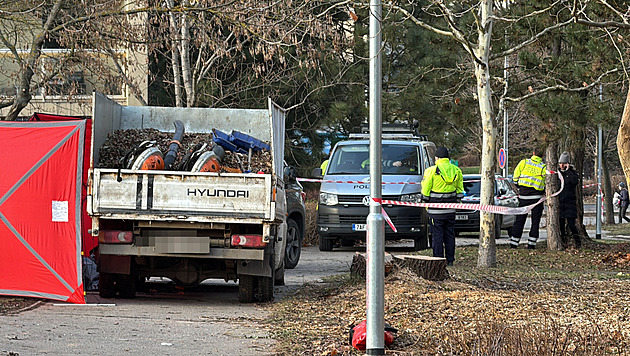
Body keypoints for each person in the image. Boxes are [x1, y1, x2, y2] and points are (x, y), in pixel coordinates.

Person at [421, 146, 464, 266]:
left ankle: (438, 260)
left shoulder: (431, 170)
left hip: (435, 210)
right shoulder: (456, 170)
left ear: (437, 158)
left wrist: (424, 199)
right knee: (450, 234)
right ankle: (450, 260)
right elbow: (460, 190)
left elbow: (426, 189)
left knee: (437, 235)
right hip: (450, 209)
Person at [510, 148, 546, 249]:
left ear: (533, 153)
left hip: (524, 196)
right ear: (542, 155)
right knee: (535, 221)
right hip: (537, 198)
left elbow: (515, 178)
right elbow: (546, 182)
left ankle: (514, 243)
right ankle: (531, 244)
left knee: (520, 220)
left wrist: (520, 187)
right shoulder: (544, 167)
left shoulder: (524, 162)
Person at [557, 151, 581, 248]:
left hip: (570, 202)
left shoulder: (572, 173)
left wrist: (568, 171)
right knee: (561, 225)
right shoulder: (557, 173)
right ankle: (563, 242)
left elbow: (574, 181)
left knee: (571, 224)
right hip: (560, 202)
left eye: (564, 163)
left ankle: (578, 242)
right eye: (560, 163)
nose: (561, 165)